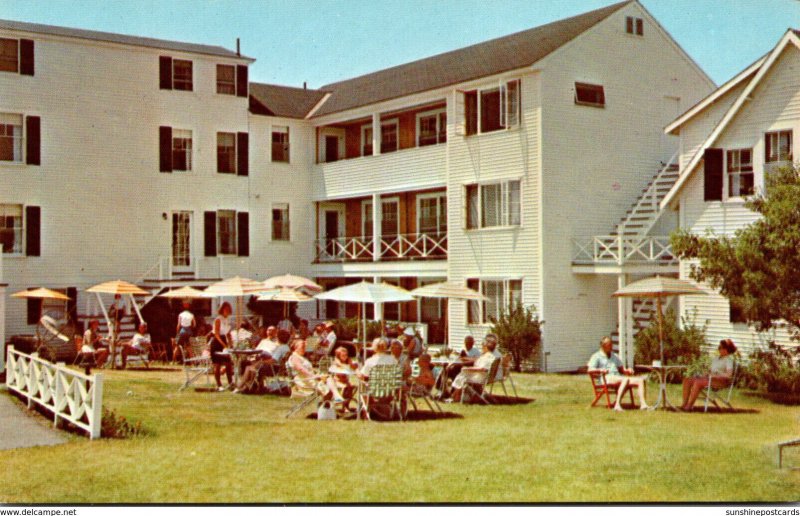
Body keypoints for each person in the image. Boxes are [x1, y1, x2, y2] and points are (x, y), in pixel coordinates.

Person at [587, 336, 649, 411]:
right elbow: (590, 370)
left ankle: (643, 404)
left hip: (617, 377)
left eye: (611, 345)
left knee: (640, 380)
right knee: (625, 379)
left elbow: (622, 369)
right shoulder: (596, 356)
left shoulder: (614, 356)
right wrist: (600, 370)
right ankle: (617, 405)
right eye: (609, 345)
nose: (611, 347)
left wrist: (628, 370)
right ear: (603, 346)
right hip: (606, 378)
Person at [680, 339, 737, 411]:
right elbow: (710, 371)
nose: (719, 349)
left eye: (721, 347)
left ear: (726, 349)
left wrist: (715, 375)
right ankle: (684, 404)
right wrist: (705, 373)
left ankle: (689, 406)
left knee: (698, 382)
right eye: (719, 347)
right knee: (687, 380)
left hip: (721, 381)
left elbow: (729, 375)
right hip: (710, 379)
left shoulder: (728, 360)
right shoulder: (716, 358)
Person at [450, 338, 502, 402]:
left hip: (481, 377)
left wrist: (468, 369)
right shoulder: (489, 356)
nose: (482, 348)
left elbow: (483, 369)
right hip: (483, 376)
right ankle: (455, 396)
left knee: (461, 377)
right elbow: (479, 364)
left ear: (486, 347)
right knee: (461, 375)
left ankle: (455, 397)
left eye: (483, 346)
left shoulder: (488, 357)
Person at [210, 302, 234, 391]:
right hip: (217, 342)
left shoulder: (227, 319)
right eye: (226, 309)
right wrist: (224, 345)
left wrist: (230, 343)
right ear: (222, 309)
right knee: (217, 364)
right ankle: (219, 385)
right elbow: (216, 334)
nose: (227, 311)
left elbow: (227, 333)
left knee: (228, 363)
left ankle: (231, 383)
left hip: (223, 340)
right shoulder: (218, 319)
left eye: (229, 309)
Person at [326, 345, 358, 410]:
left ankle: (346, 406)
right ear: (338, 356)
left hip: (345, 381)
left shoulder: (348, 360)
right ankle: (342, 403)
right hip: (337, 381)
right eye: (343, 355)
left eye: (346, 355)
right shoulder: (336, 361)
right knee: (346, 387)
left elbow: (354, 367)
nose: (345, 357)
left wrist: (352, 364)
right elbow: (341, 366)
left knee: (350, 388)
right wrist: (347, 365)